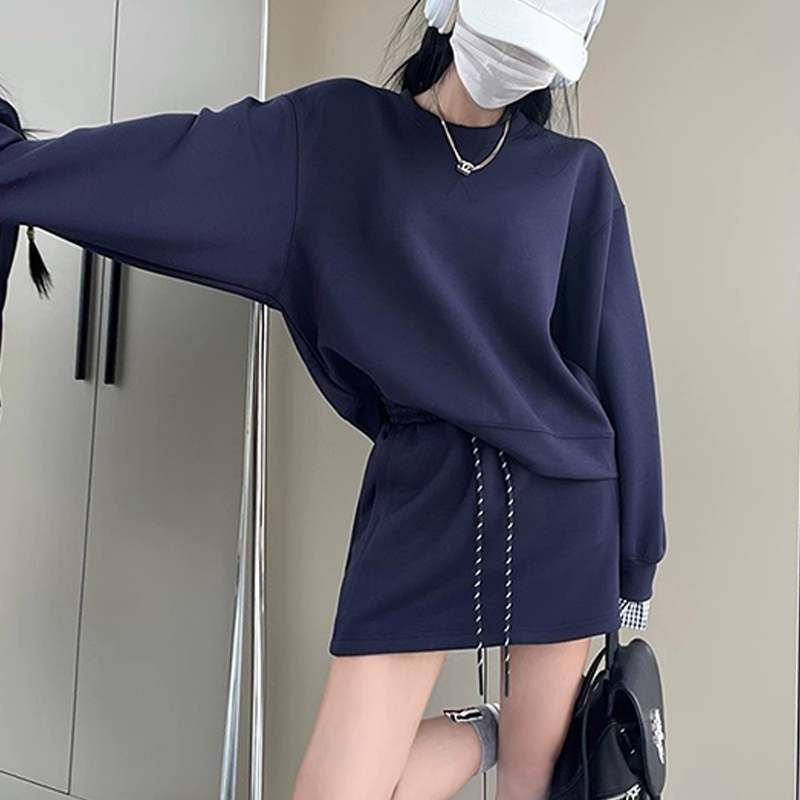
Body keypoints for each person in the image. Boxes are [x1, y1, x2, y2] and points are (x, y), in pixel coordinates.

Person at [0, 0, 667, 798]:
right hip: (423, 498)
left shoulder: (575, 176)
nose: (523, 63)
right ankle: (484, 727)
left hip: (565, 508)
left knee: (536, 788)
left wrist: (636, 568)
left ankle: (507, 734)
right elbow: (175, 169)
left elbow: (619, 366)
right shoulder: (333, 138)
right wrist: (16, 171)